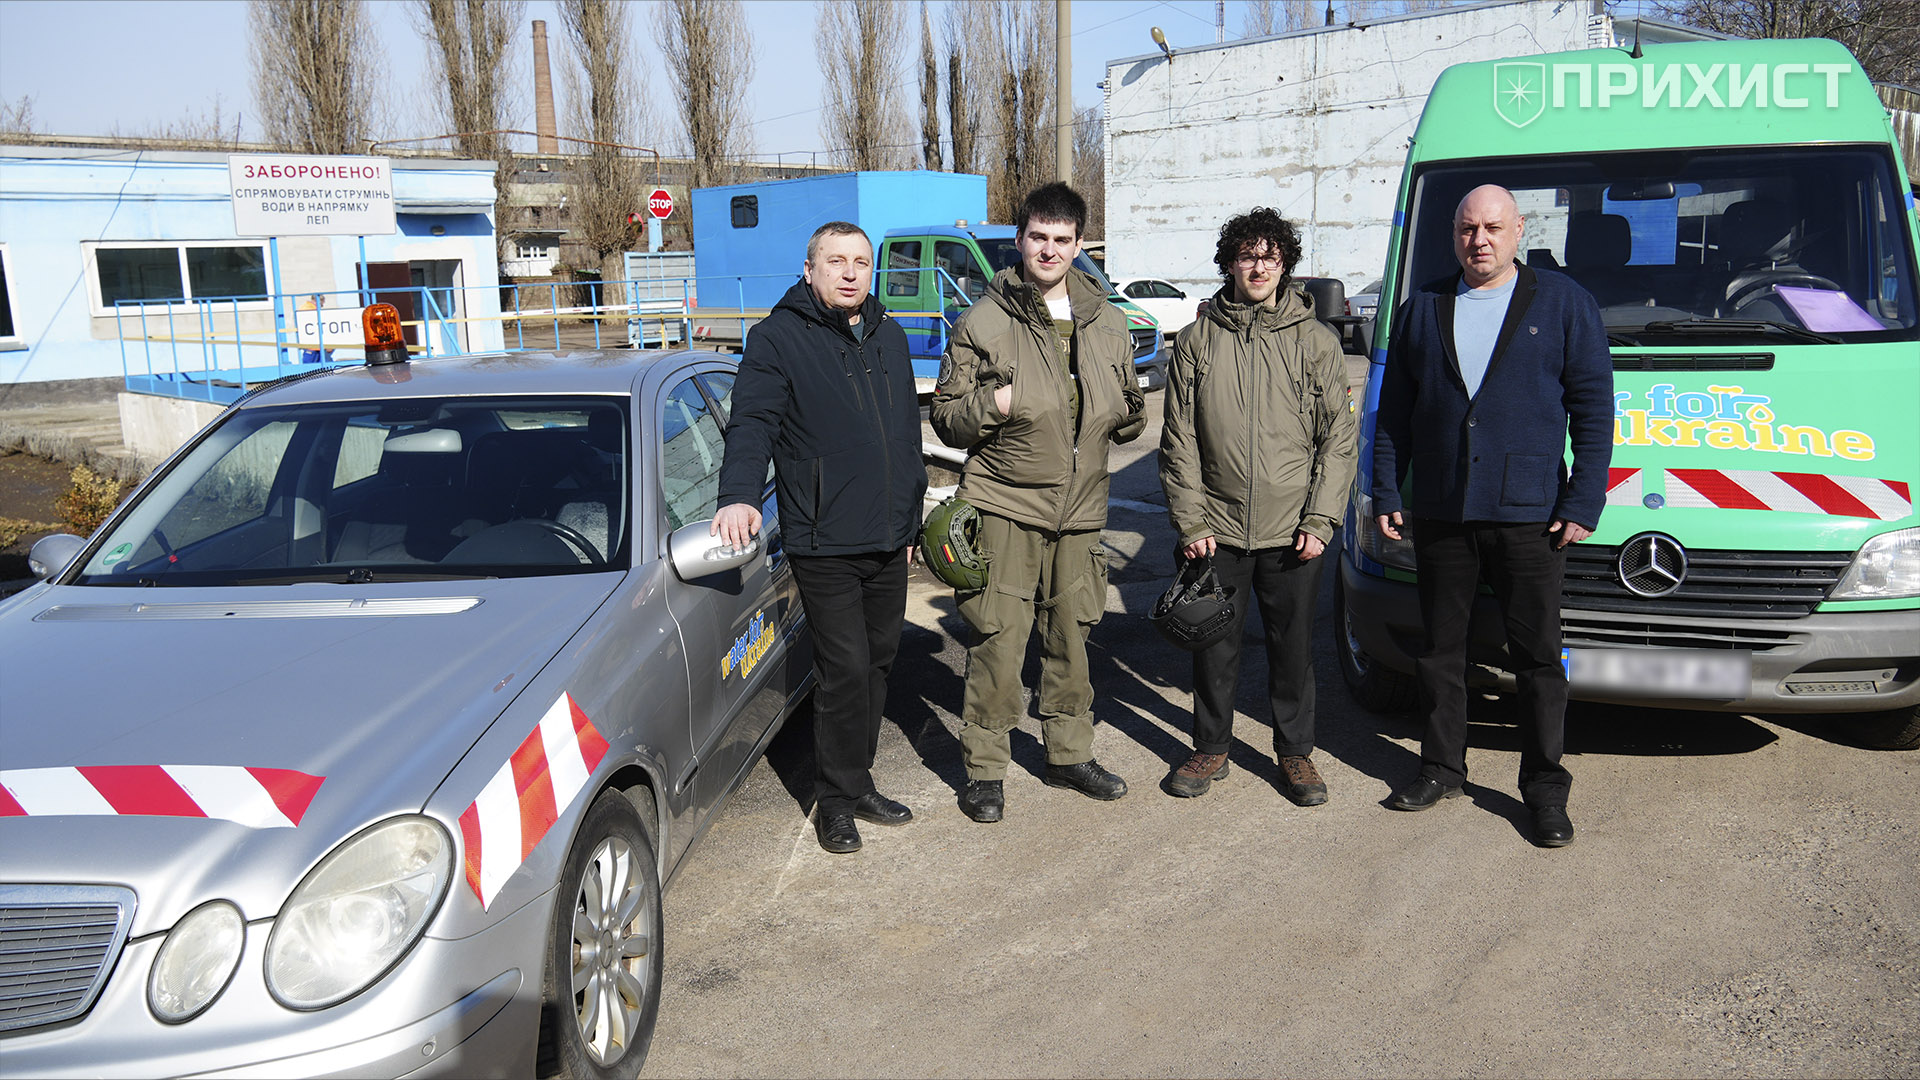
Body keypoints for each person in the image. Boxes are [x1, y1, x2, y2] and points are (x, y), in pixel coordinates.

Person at [1371, 184, 1614, 848]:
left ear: (1519, 230)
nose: (1479, 239)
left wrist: (1583, 500)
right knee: (1439, 651)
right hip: (1444, 508)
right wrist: (1389, 491)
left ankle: (1544, 789)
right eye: (1467, 228)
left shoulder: (1564, 304)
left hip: (1530, 514)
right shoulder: (1424, 306)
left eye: (1493, 228)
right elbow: (1395, 415)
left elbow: (1595, 412)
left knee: (1537, 657)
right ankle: (1442, 767)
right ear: (1454, 233)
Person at [930, 182, 1147, 823]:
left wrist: (1125, 413)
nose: (1049, 250)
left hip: (1081, 508)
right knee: (999, 639)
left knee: (1073, 634)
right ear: (1020, 239)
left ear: (1080, 245)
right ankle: (985, 769)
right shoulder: (984, 320)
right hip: (1006, 504)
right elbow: (946, 418)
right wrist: (991, 405)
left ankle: (1068, 754)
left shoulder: (1106, 319)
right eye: (1038, 237)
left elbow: (1129, 404)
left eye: (1063, 240)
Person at [713, 221, 928, 854]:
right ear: (809, 270)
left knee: (881, 661)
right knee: (844, 668)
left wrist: (911, 516)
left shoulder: (888, 335)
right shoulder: (776, 339)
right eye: (836, 261)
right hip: (823, 535)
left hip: (889, 534)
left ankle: (857, 780)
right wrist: (738, 496)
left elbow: (903, 437)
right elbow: (751, 423)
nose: (851, 272)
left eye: (861, 261)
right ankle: (834, 801)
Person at [1157, 208, 1357, 804]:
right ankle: (1211, 747)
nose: (1258, 266)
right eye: (1247, 255)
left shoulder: (1315, 342)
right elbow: (1179, 439)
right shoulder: (1197, 342)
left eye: (1270, 256)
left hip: (1293, 529)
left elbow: (1337, 441)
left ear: (1286, 265)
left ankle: (1295, 755)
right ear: (1229, 263)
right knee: (1212, 644)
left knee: (1292, 649)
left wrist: (1321, 519)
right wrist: (1190, 520)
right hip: (1215, 530)